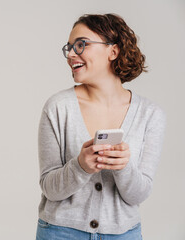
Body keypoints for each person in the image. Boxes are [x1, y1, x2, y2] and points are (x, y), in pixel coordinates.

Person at [36, 13, 166, 240]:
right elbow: (49, 188)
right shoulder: (57, 108)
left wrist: (123, 167)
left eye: (81, 44)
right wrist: (80, 167)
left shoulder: (150, 115)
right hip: (60, 233)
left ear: (113, 51)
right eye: (69, 47)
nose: (71, 55)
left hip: (123, 234)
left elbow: (138, 194)